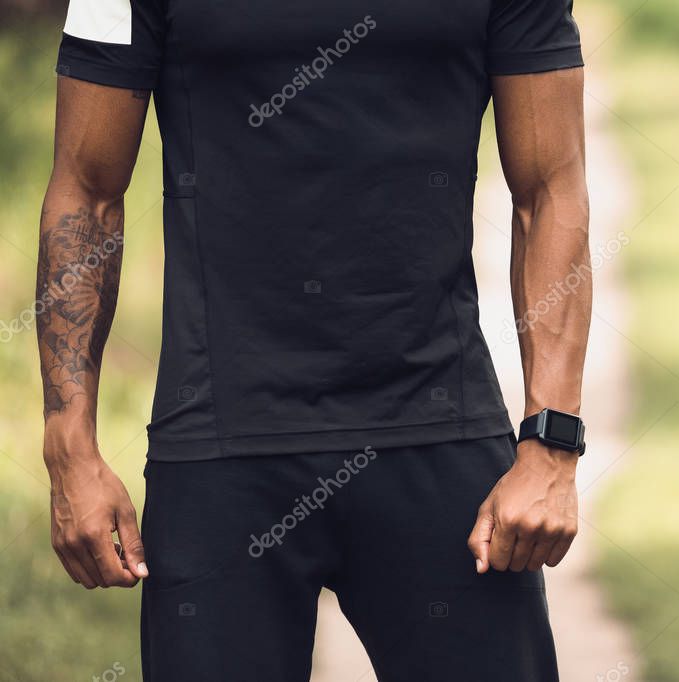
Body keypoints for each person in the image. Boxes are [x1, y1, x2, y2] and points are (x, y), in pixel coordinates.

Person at [35, 0, 590, 680]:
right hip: (219, 450)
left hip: (437, 435)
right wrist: (69, 449)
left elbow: (549, 187)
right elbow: (86, 190)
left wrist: (550, 443)